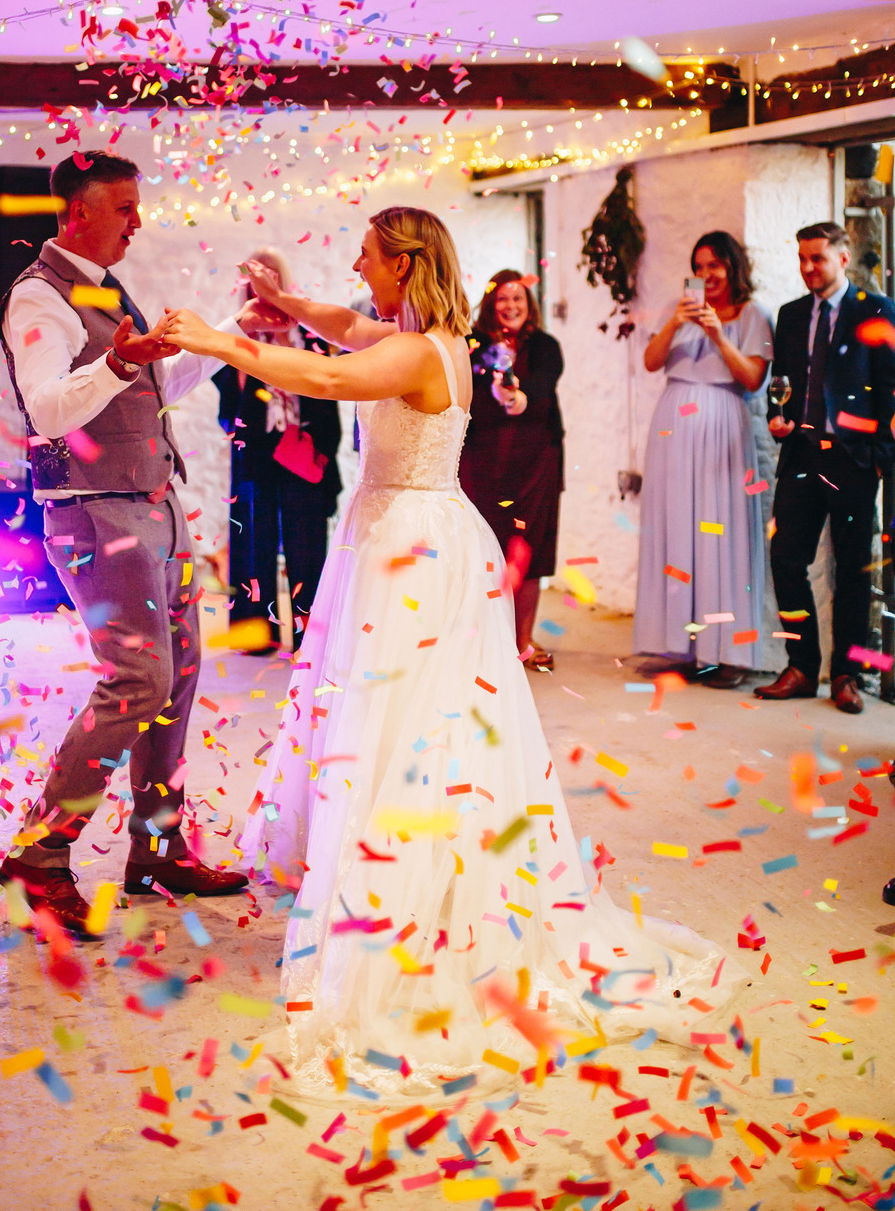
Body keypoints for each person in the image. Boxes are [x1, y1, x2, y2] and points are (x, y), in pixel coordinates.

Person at [164, 207, 739, 1098]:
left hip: (411, 553)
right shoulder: (416, 334)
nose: (356, 264)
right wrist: (279, 298)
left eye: (367, 254)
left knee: (406, 726)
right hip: (410, 534)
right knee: (405, 719)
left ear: (403, 264)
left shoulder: (418, 352)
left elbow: (317, 368)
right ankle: (406, 881)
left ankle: (409, 908)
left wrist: (219, 339)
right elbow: (335, 324)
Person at [0, 150, 274, 936]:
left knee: (179, 673)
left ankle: (156, 848)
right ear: (77, 212)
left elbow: (149, 386)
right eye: (123, 207)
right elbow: (49, 409)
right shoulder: (38, 297)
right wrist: (117, 360)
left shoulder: (104, 290)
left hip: (156, 505)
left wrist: (223, 334)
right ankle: (38, 860)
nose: (138, 221)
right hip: (95, 514)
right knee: (138, 679)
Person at [756, 222, 895, 713]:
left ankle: (847, 675)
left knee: (853, 571)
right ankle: (801, 665)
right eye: (802, 259)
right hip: (800, 456)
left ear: (843, 255)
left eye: (818, 258)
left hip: (854, 463)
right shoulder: (791, 315)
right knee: (787, 561)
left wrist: (879, 459)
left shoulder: (877, 311)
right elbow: (784, 383)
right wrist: (780, 421)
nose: (809, 268)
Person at [633, 231, 773, 688]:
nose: (708, 274)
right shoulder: (682, 313)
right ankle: (681, 644)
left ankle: (727, 651)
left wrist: (717, 334)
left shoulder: (753, 315)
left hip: (721, 429)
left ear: (733, 268)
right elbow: (652, 362)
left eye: (716, 265)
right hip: (674, 428)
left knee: (720, 532)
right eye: (700, 265)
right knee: (677, 531)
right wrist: (675, 322)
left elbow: (752, 378)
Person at [216, 247, 342, 651]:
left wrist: (322, 449)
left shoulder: (310, 338)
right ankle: (257, 632)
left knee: (308, 547)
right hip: (256, 453)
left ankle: (310, 637)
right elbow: (226, 414)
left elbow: (329, 399)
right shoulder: (235, 339)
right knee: (254, 543)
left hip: (304, 450)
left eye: (271, 277)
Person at [459, 269, 563, 671]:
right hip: (482, 461)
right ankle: (483, 638)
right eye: (503, 298)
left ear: (529, 304)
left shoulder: (546, 345)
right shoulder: (471, 344)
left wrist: (517, 395)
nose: (511, 305)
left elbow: (543, 386)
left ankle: (523, 640)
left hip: (536, 462)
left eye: (518, 298)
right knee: (484, 550)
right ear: (490, 303)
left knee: (530, 550)